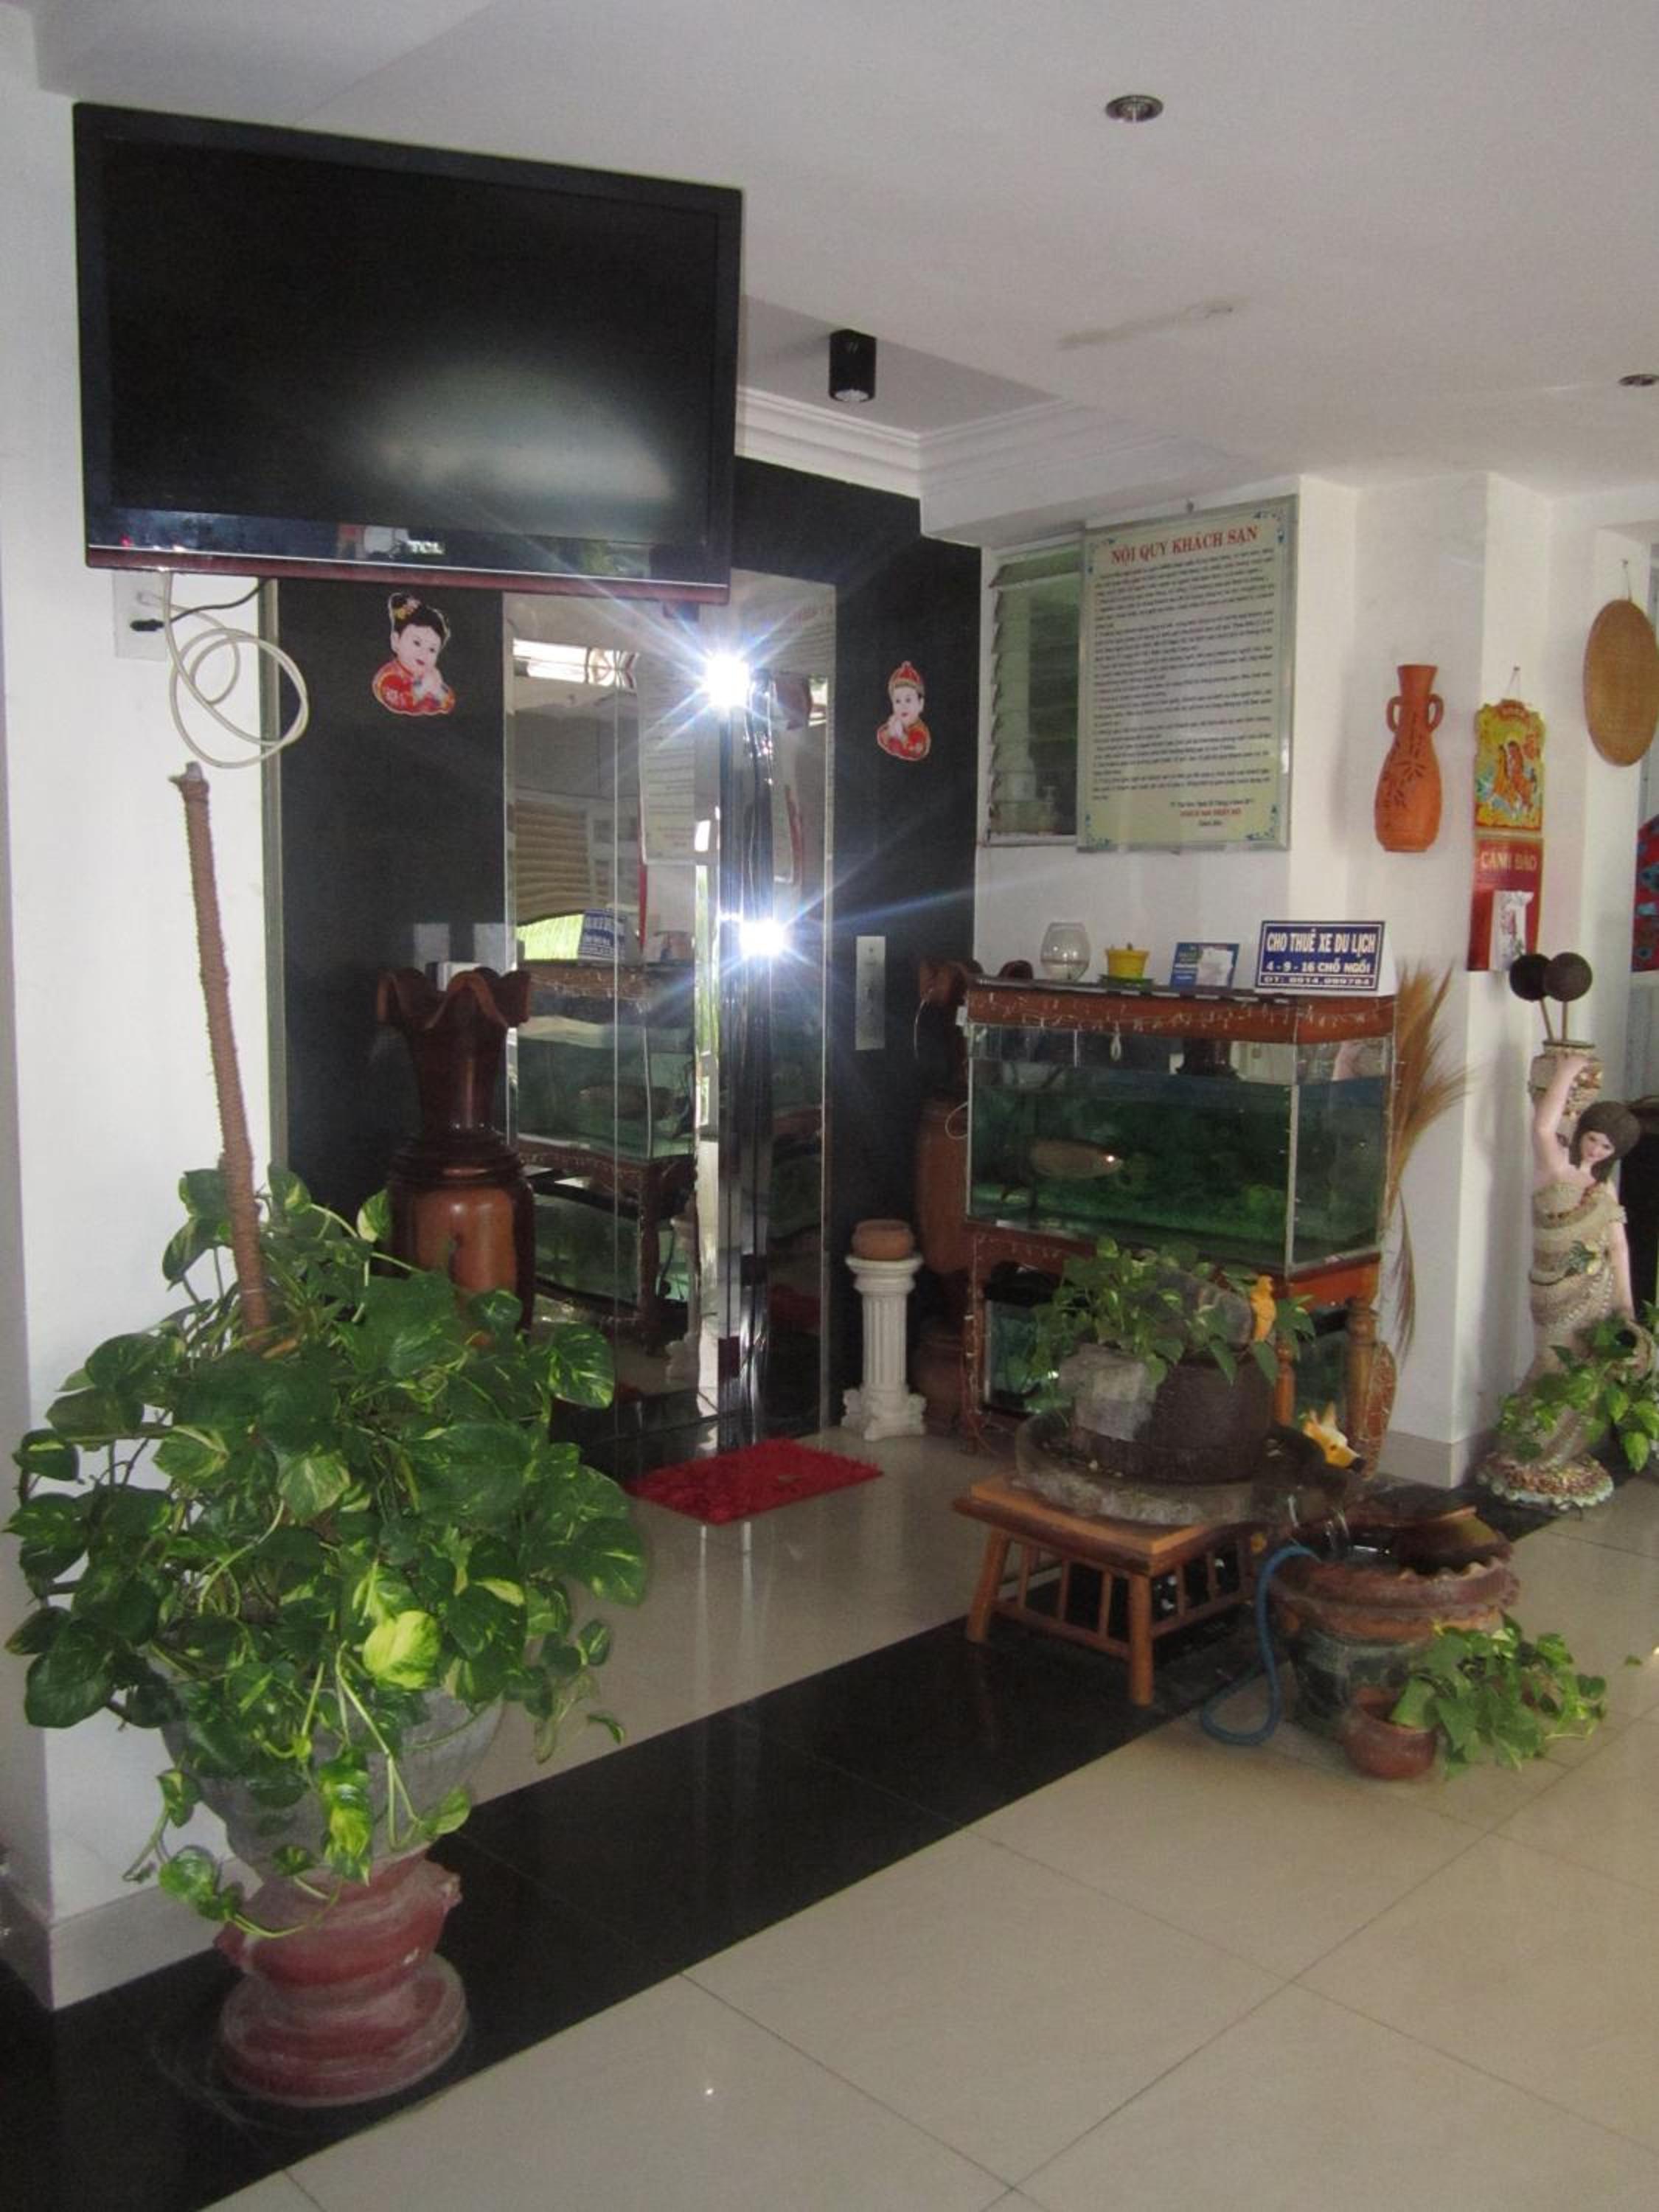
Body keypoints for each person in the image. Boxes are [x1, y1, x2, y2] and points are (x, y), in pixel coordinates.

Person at [1481, 1050, 1647, 1510]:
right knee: (1552, 1364)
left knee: (1584, 1374)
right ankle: (1525, 1450)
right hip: (1554, 1290)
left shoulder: (1603, 1188)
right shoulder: (1554, 1165)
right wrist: (1568, 1072)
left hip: (1596, 1292)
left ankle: (1559, 1451)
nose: (1596, 1150)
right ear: (1583, 1134)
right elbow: (1542, 1125)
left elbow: (1619, 1247)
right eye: (1593, 1139)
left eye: (1607, 1148)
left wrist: (1626, 1305)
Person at [372, 592, 455, 716]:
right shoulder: (389, 676)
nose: (423, 653)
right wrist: (422, 687)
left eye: (432, 650)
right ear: (396, 641)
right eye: (417, 643)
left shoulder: (429, 675)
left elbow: (449, 703)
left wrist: (438, 691)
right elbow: (398, 700)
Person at [876, 659, 930, 761]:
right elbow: (881, 736)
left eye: (908, 700)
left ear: (920, 704)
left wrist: (902, 736)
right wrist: (890, 732)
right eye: (897, 701)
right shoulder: (894, 724)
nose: (903, 706)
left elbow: (916, 751)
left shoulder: (920, 732)